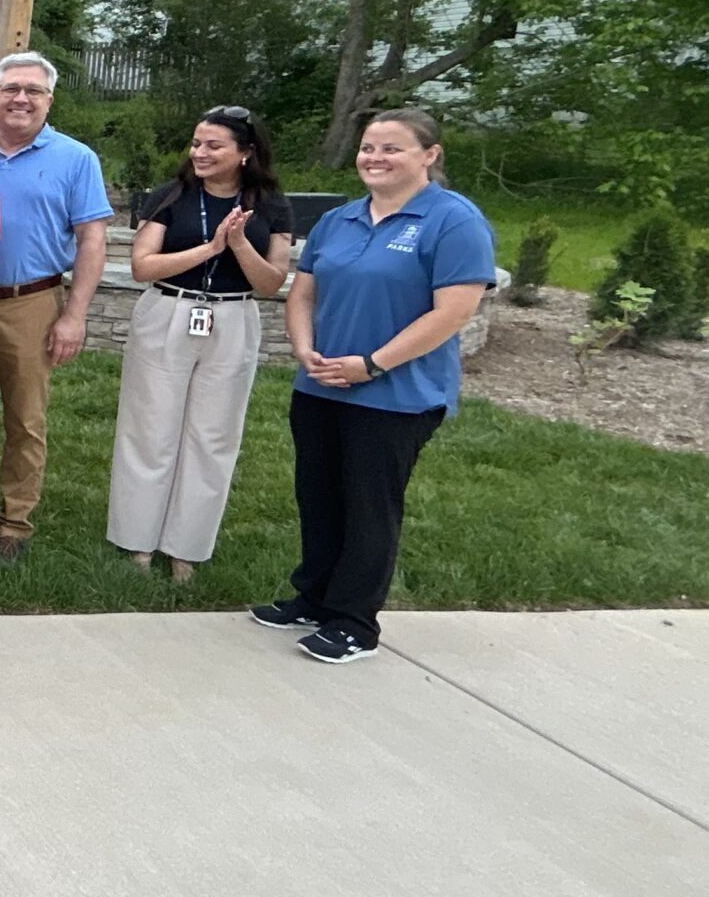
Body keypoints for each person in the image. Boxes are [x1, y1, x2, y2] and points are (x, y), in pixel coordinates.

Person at [254, 109, 493, 663]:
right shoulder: (340, 219)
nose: (375, 158)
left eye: (391, 148)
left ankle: (354, 622)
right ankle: (314, 597)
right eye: (368, 147)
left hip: (395, 395)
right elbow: (304, 293)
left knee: (369, 506)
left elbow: (453, 312)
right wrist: (303, 347)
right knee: (319, 497)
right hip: (320, 386)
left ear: (429, 155)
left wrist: (373, 364)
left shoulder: (453, 221)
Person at [107, 107, 295, 580]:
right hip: (169, 311)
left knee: (213, 436)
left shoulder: (271, 206)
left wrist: (239, 244)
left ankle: (186, 547)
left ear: (245, 153)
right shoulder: (171, 196)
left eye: (214, 145)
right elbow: (142, 266)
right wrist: (209, 249)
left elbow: (271, 282)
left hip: (233, 317)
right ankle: (137, 540)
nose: (200, 153)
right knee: (150, 428)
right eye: (196, 144)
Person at [0, 50, 111, 562]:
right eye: (11, 89)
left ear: (49, 100)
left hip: (31, 301)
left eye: (33, 90)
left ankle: (14, 522)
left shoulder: (75, 158)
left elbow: (92, 240)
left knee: (25, 417)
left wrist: (74, 316)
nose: (21, 99)